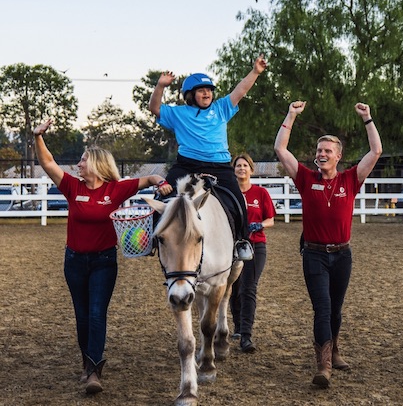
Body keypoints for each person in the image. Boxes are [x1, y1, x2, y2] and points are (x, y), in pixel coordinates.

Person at [33, 119, 172, 395]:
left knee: (97, 314)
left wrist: (162, 182)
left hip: (104, 262)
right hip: (74, 262)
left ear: (96, 164)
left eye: (83, 160)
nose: (78, 165)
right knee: (82, 316)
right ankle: (86, 363)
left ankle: (95, 370)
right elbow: (48, 164)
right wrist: (38, 137)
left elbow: (151, 178)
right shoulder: (73, 187)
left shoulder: (116, 189)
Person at [274, 101, 382, 387]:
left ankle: (334, 350)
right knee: (322, 308)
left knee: (336, 309)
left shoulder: (351, 179)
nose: (321, 154)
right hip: (314, 255)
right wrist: (291, 115)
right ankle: (323, 366)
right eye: (319, 151)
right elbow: (281, 150)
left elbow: (376, 152)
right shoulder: (306, 179)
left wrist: (367, 119)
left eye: (327, 151)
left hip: (342, 255)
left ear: (338, 156)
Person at [148, 55, 267, 260]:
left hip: (220, 166)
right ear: (190, 94)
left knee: (238, 200)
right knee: (162, 195)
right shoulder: (178, 113)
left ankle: (241, 241)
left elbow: (241, 90)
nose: (207, 93)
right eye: (202, 90)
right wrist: (160, 86)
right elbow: (154, 108)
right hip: (187, 165)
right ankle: (151, 238)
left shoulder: (221, 108)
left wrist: (255, 72)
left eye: (209, 90)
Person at [229, 153, 276, 353]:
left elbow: (271, 219)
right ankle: (238, 327)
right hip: (233, 246)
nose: (241, 169)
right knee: (234, 287)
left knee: (248, 288)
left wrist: (259, 225)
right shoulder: (230, 193)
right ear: (234, 170)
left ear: (251, 169)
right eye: (238, 166)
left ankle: (246, 336)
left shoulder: (261, 193)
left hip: (256, 245)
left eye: (245, 165)